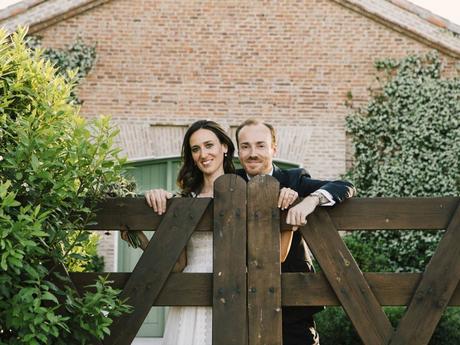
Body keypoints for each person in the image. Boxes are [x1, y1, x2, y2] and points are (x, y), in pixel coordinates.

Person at [121, 119, 299, 345]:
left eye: (209, 145)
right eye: (196, 149)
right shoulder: (185, 199)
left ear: (224, 147)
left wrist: (291, 219)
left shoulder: (248, 192)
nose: (203, 154)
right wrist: (139, 237)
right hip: (191, 290)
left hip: (235, 288)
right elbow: (177, 264)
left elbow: (275, 257)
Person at [235, 118, 356, 345]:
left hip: (293, 299)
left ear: (274, 148)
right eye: (245, 146)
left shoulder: (294, 179)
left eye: (260, 145)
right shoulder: (231, 183)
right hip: (240, 297)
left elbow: (345, 186)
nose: (253, 153)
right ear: (238, 151)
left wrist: (310, 201)